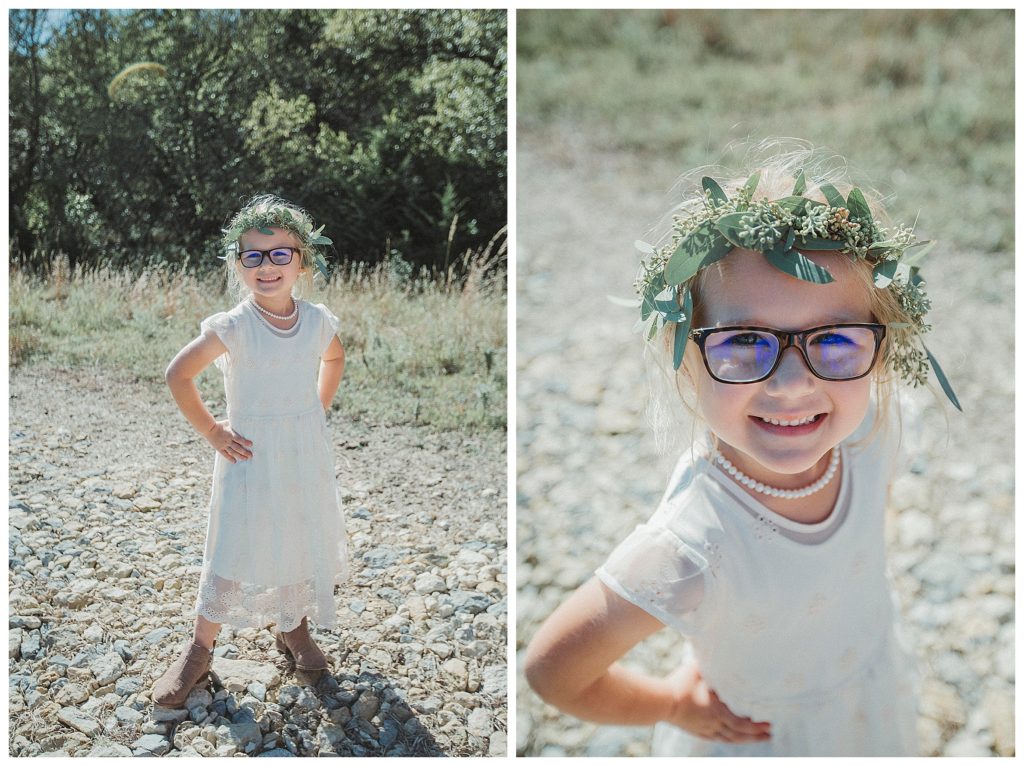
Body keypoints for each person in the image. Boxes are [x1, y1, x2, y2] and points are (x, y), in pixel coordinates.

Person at [524, 146, 959, 756]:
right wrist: (674, 704)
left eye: (833, 340)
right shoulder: (691, 545)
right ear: (686, 358)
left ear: (879, 352)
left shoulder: (869, 434)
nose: (791, 384)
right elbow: (553, 672)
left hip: (867, 692)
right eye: (745, 342)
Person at [152, 195, 347, 708]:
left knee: (297, 533)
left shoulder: (316, 320)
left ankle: (293, 627)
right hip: (249, 456)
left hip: (301, 454)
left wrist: (314, 410)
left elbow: (334, 357)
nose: (266, 266)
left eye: (280, 254)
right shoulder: (235, 326)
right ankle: (199, 648)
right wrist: (214, 432)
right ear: (237, 264)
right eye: (253, 255)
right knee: (233, 544)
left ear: (302, 262)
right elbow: (179, 374)